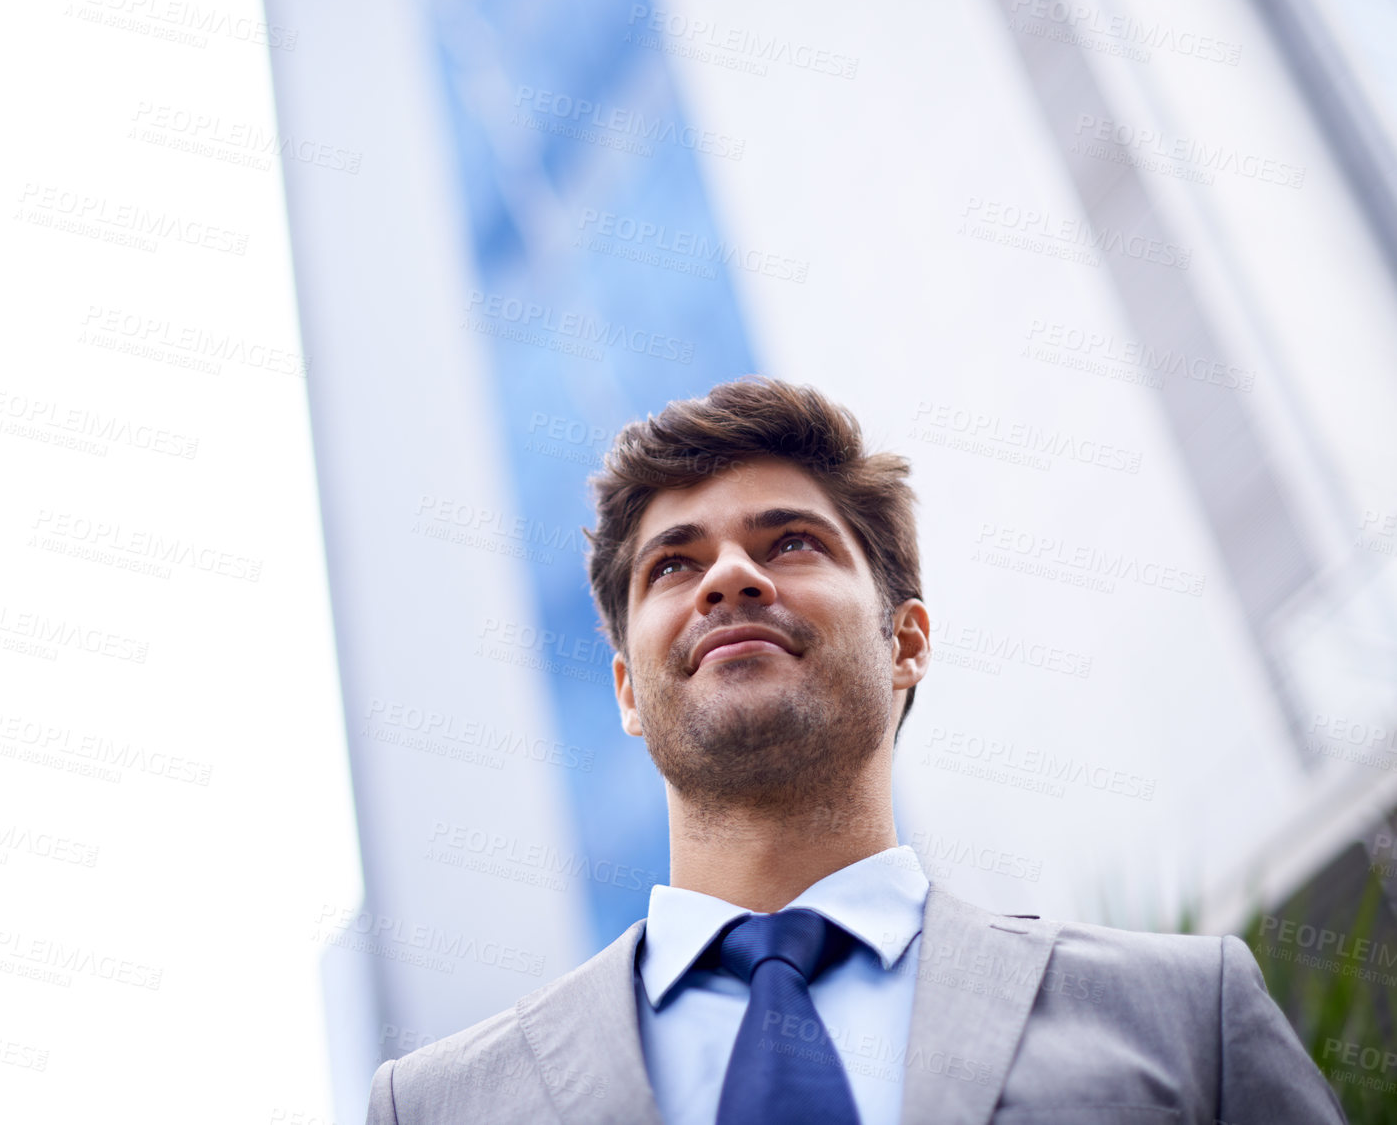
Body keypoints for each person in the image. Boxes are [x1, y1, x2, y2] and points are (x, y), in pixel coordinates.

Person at [366, 376, 1344, 1124]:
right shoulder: (440, 1104)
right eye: (676, 563)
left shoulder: (1181, 1016)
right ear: (628, 689)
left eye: (790, 542)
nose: (731, 578)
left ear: (906, 641)